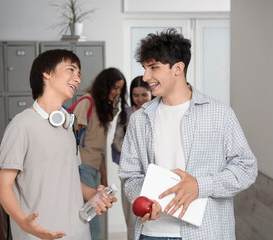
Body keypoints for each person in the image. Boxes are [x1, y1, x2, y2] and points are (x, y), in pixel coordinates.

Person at [118, 28, 258, 240]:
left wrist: (201, 185)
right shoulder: (140, 119)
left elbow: (246, 167)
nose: (146, 76)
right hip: (152, 233)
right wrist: (144, 200)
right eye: (145, 68)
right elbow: (130, 175)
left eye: (154, 67)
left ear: (178, 68)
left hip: (205, 233)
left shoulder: (219, 114)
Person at [0, 49, 116, 240]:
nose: (77, 78)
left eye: (79, 74)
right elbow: (3, 186)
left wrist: (94, 194)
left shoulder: (68, 124)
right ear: (47, 73)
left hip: (78, 232)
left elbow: (71, 181)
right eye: (71, 70)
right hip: (39, 234)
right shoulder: (21, 126)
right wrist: (23, 222)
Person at [72, 67, 127, 240]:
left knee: (93, 215)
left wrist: (103, 177)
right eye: (115, 87)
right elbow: (70, 138)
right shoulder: (86, 103)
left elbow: (100, 148)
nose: (117, 92)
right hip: (83, 167)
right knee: (90, 218)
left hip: (94, 168)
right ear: (105, 86)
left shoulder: (103, 108)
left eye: (120, 89)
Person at [112, 76, 153, 240]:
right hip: (131, 173)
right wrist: (135, 149)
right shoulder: (126, 114)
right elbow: (116, 141)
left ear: (151, 93)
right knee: (132, 218)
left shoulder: (157, 111)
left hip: (152, 173)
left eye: (144, 94)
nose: (140, 99)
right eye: (136, 95)